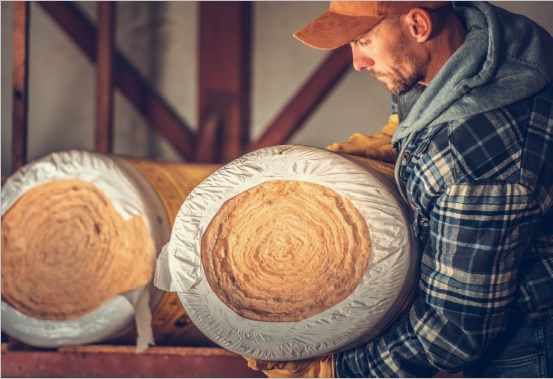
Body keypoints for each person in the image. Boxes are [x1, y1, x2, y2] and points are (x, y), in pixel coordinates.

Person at [245, 1, 553, 377]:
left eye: (363, 40)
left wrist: (335, 370)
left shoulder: (473, 158)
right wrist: (399, 139)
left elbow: (450, 333)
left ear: (419, 24)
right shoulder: (488, 43)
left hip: (527, 347)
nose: (357, 62)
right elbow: (425, 106)